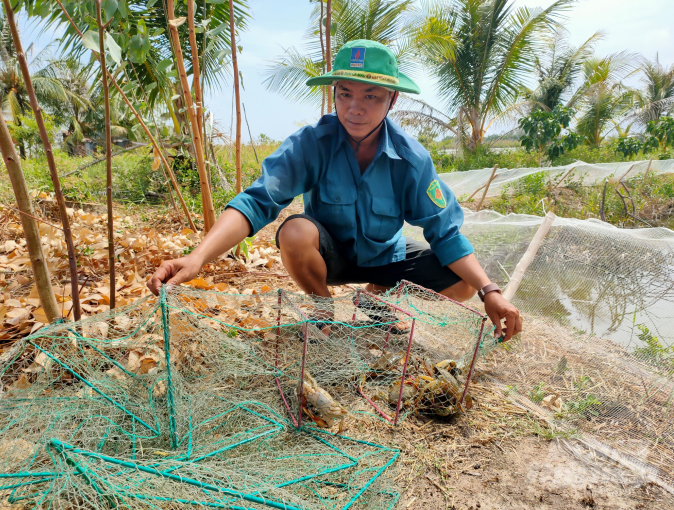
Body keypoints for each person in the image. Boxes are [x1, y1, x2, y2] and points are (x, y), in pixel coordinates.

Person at [147, 39, 522, 341]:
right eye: (345, 94)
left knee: (461, 282)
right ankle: (323, 308)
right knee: (294, 229)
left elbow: (446, 233)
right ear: (334, 95)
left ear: (393, 100)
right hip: (331, 260)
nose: (355, 108)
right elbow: (257, 200)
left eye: (371, 96)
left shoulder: (412, 159)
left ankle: (377, 298)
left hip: (386, 258)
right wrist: (198, 258)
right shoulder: (313, 143)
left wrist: (489, 290)